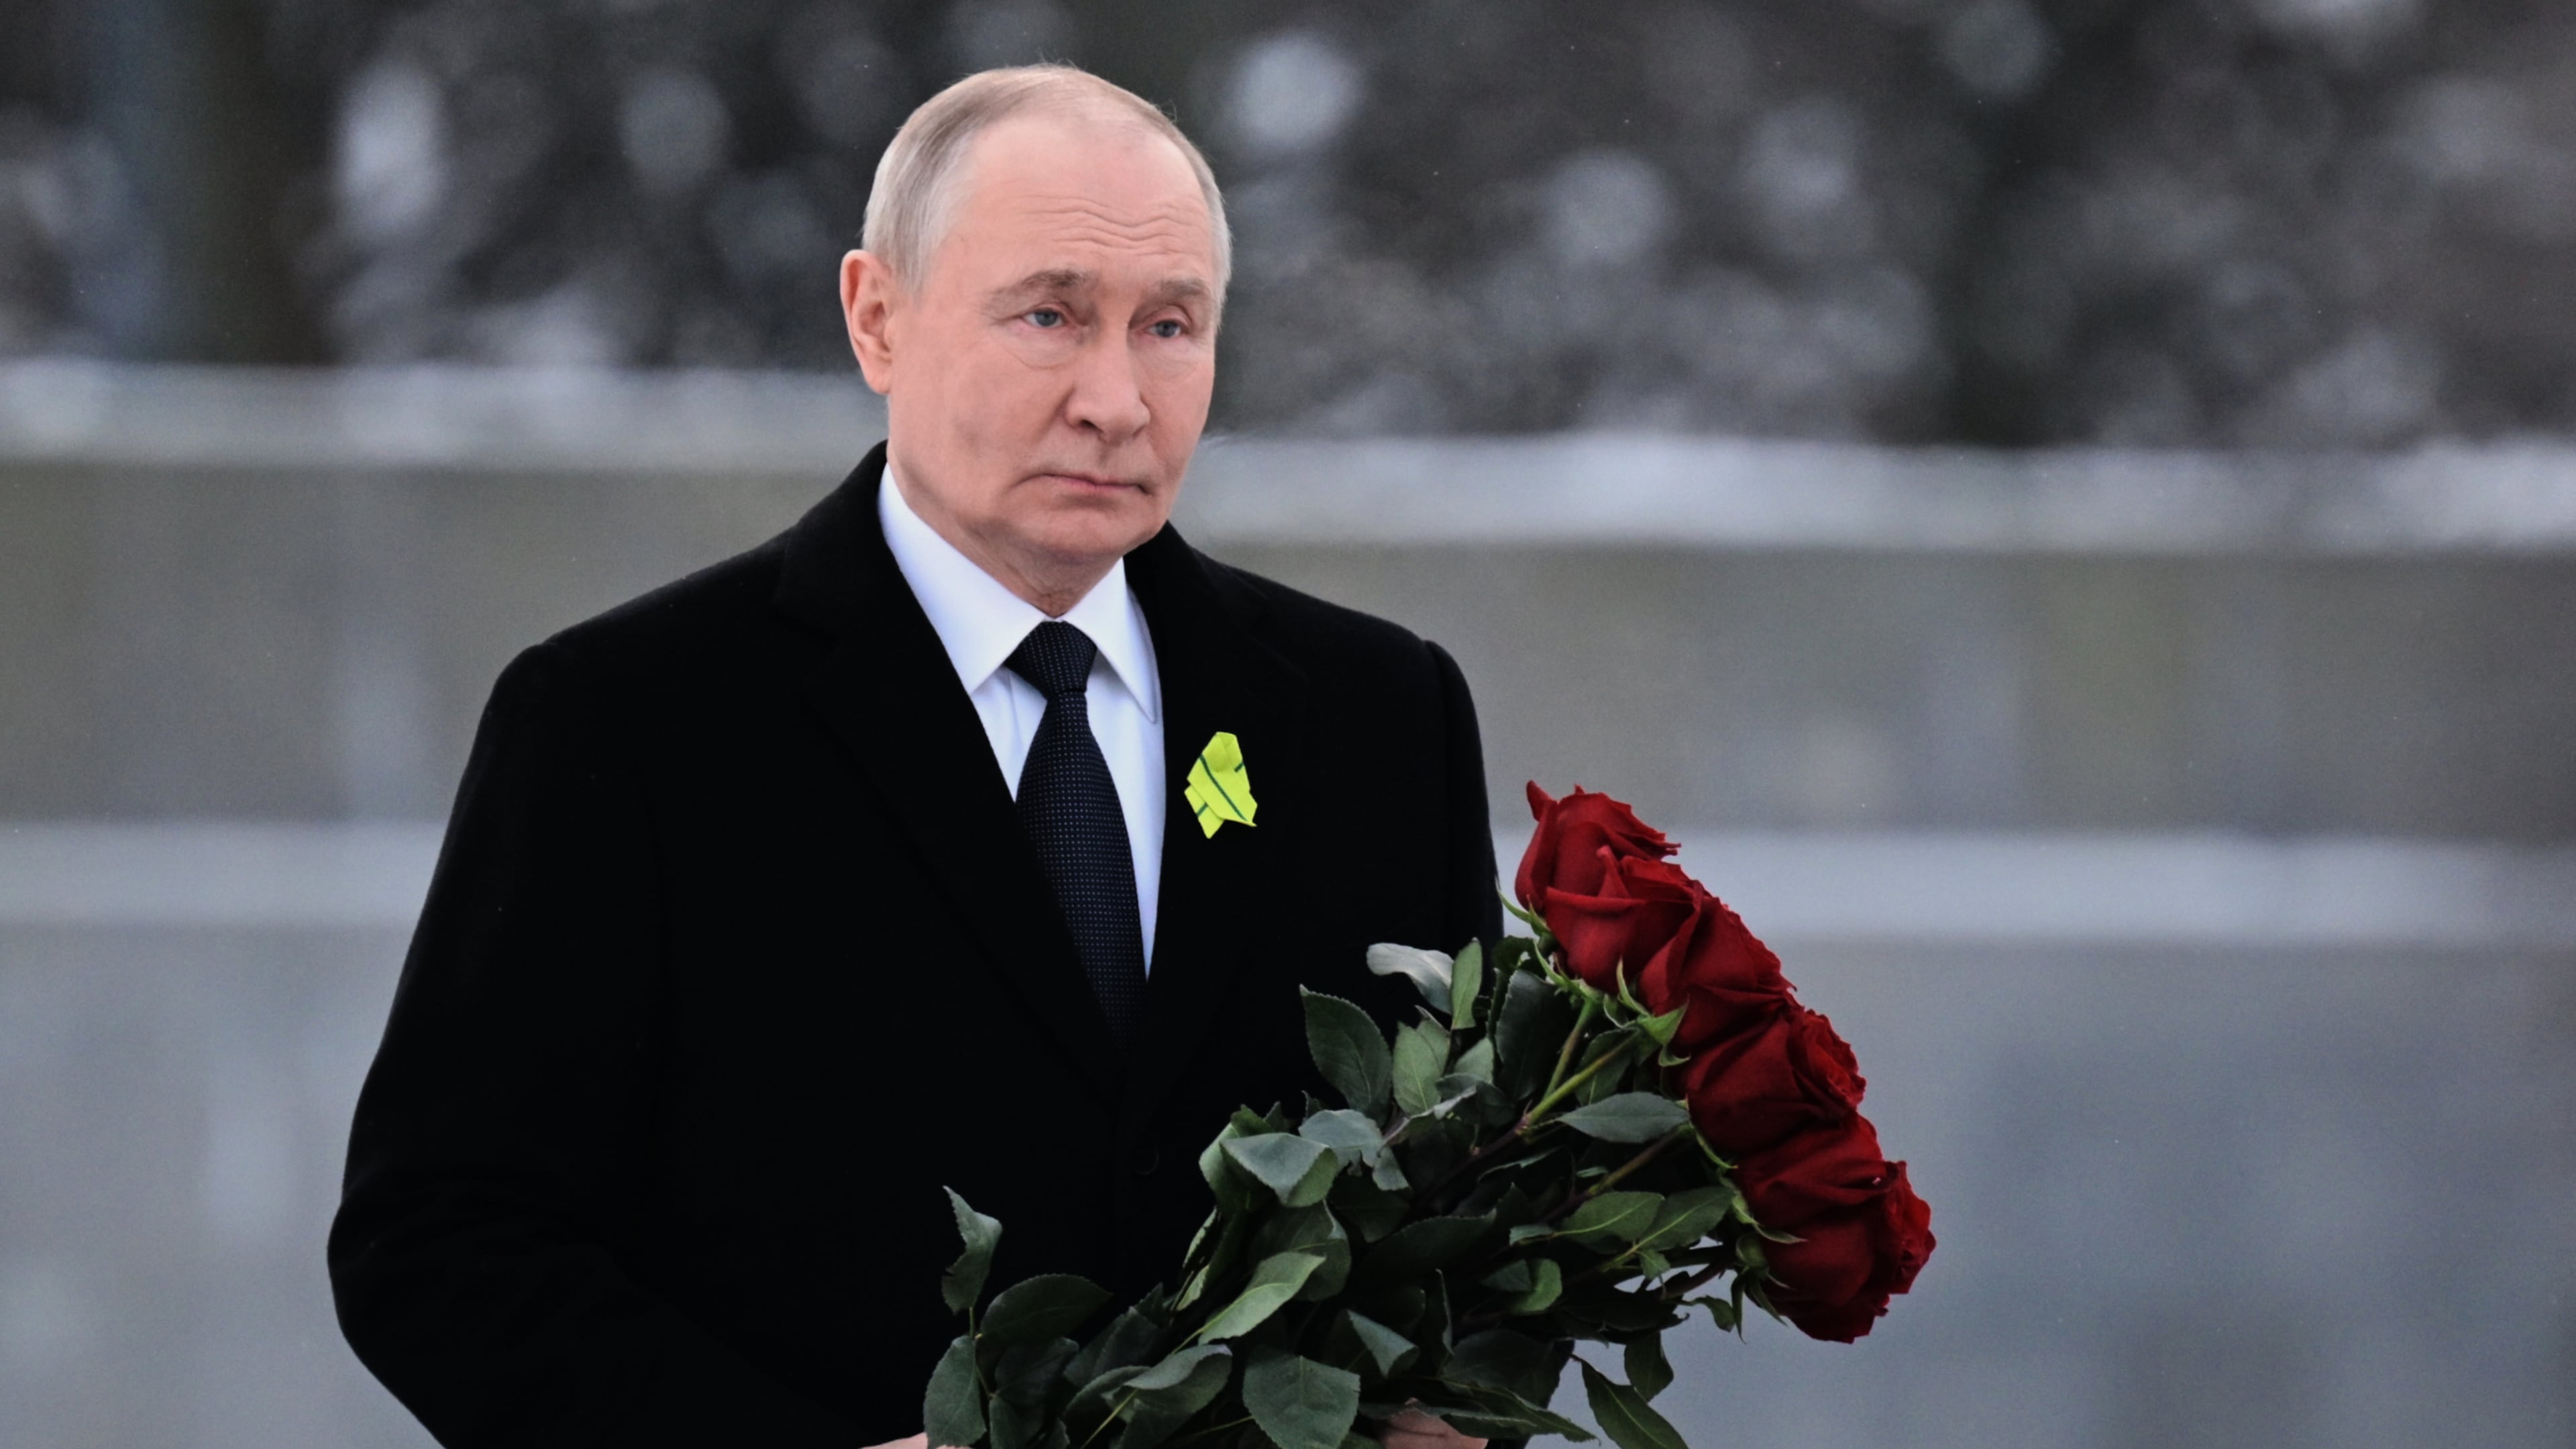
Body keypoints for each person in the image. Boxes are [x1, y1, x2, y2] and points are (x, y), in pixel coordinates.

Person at [329, 64, 1499, 1449]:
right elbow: (443, 1244)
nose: (1117, 399)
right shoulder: (627, 720)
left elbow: (1473, 1194)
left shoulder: (1377, 712)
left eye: (1170, 325)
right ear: (876, 317)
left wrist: (1454, 1400)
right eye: (1051, 316)